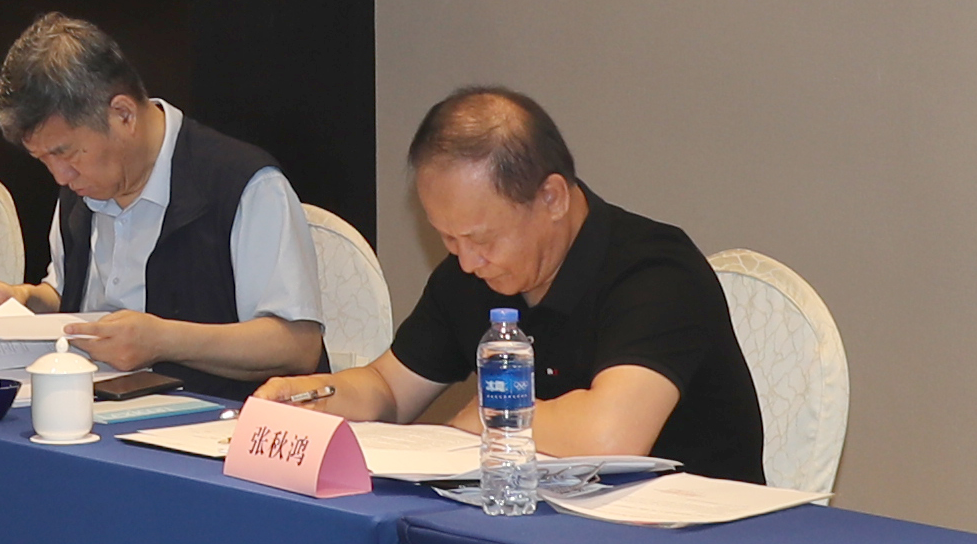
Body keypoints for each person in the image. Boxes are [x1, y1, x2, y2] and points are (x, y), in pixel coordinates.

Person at [267, 87, 767, 482]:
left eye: (480, 239)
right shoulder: (472, 273)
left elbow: (611, 436)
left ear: (552, 198)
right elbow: (388, 390)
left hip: (694, 543)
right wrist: (313, 396)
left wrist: (486, 412)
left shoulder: (656, 272)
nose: (466, 261)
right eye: (448, 238)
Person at [0, 13, 328, 398]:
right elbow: (68, 297)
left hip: (217, 419)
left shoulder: (242, 184)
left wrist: (163, 341)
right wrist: (23, 301)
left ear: (123, 114)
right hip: (98, 408)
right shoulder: (82, 188)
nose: (60, 176)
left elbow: (297, 345)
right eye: (43, 159)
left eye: (66, 153)